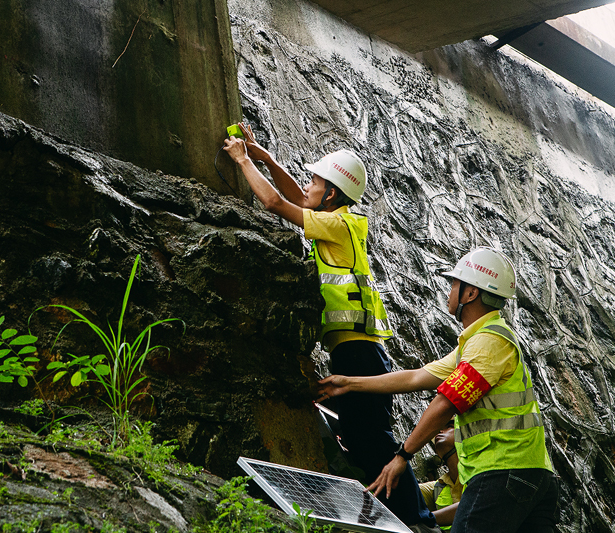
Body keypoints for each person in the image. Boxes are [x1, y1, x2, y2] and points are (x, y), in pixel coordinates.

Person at [224, 124, 438, 531]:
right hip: (358, 349)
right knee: (363, 436)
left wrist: (242, 160)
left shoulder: (338, 225)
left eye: (316, 181)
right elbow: (296, 198)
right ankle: (403, 514)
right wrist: (266, 158)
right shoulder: (336, 220)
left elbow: (273, 201)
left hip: (359, 352)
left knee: (371, 437)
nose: (309, 187)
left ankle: (417, 520)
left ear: (333, 193)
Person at [317, 247, 559, 533]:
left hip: (503, 473)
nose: (450, 290)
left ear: (470, 294)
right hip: (531, 475)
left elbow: (445, 404)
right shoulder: (478, 342)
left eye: (455, 284)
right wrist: (348, 383)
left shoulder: (488, 344)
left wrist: (402, 457)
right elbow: (417, 378)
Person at [419, 419, 462, 531]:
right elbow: (407, 493)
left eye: (449, 427)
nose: (440, 431)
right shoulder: (439, 486)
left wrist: (427, 518)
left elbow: (473, 504)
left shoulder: (481, 478)